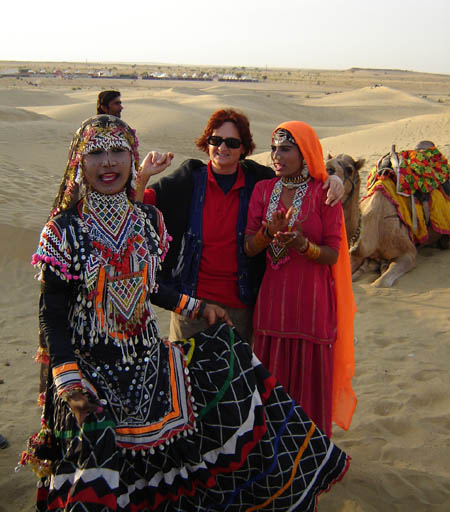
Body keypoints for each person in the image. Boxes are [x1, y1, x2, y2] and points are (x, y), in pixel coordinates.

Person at [20, 114, 350, 511]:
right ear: (79, 162)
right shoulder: (62, 230)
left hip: (148, 358)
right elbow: (52, 315)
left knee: (233, 380)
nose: (108, 163)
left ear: (131, 157)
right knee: (97, 446)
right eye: (97, 153)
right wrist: (68, 381)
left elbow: (152, 287)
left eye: (118, 152)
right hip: (88, 366)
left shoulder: (146, 221)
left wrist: (198, 306)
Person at [136, 108, 344, 344]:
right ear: (207, 142)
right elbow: (139, 206)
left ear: (244, 149)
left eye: (232, 142)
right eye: (216, 140)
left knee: (235, 378)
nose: (223, 148)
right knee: (185, 376)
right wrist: (143, 175)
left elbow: (299, 175)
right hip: (192, 306)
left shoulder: (260, 181)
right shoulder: (189, 179)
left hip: (242, 308)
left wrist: (331, 179)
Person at [244, 121, 357, 437]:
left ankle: (309, 455)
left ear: (305, 152)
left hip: (312, 303)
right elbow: (250, 248)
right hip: (272, 302)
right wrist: (269, 233)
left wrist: (302, 245)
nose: (276, 156)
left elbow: (333, 253)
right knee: (271, 380)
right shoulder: (263, 190)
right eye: (274, 148)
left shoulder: (325, 192)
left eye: (286, 148)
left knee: (309, 380)